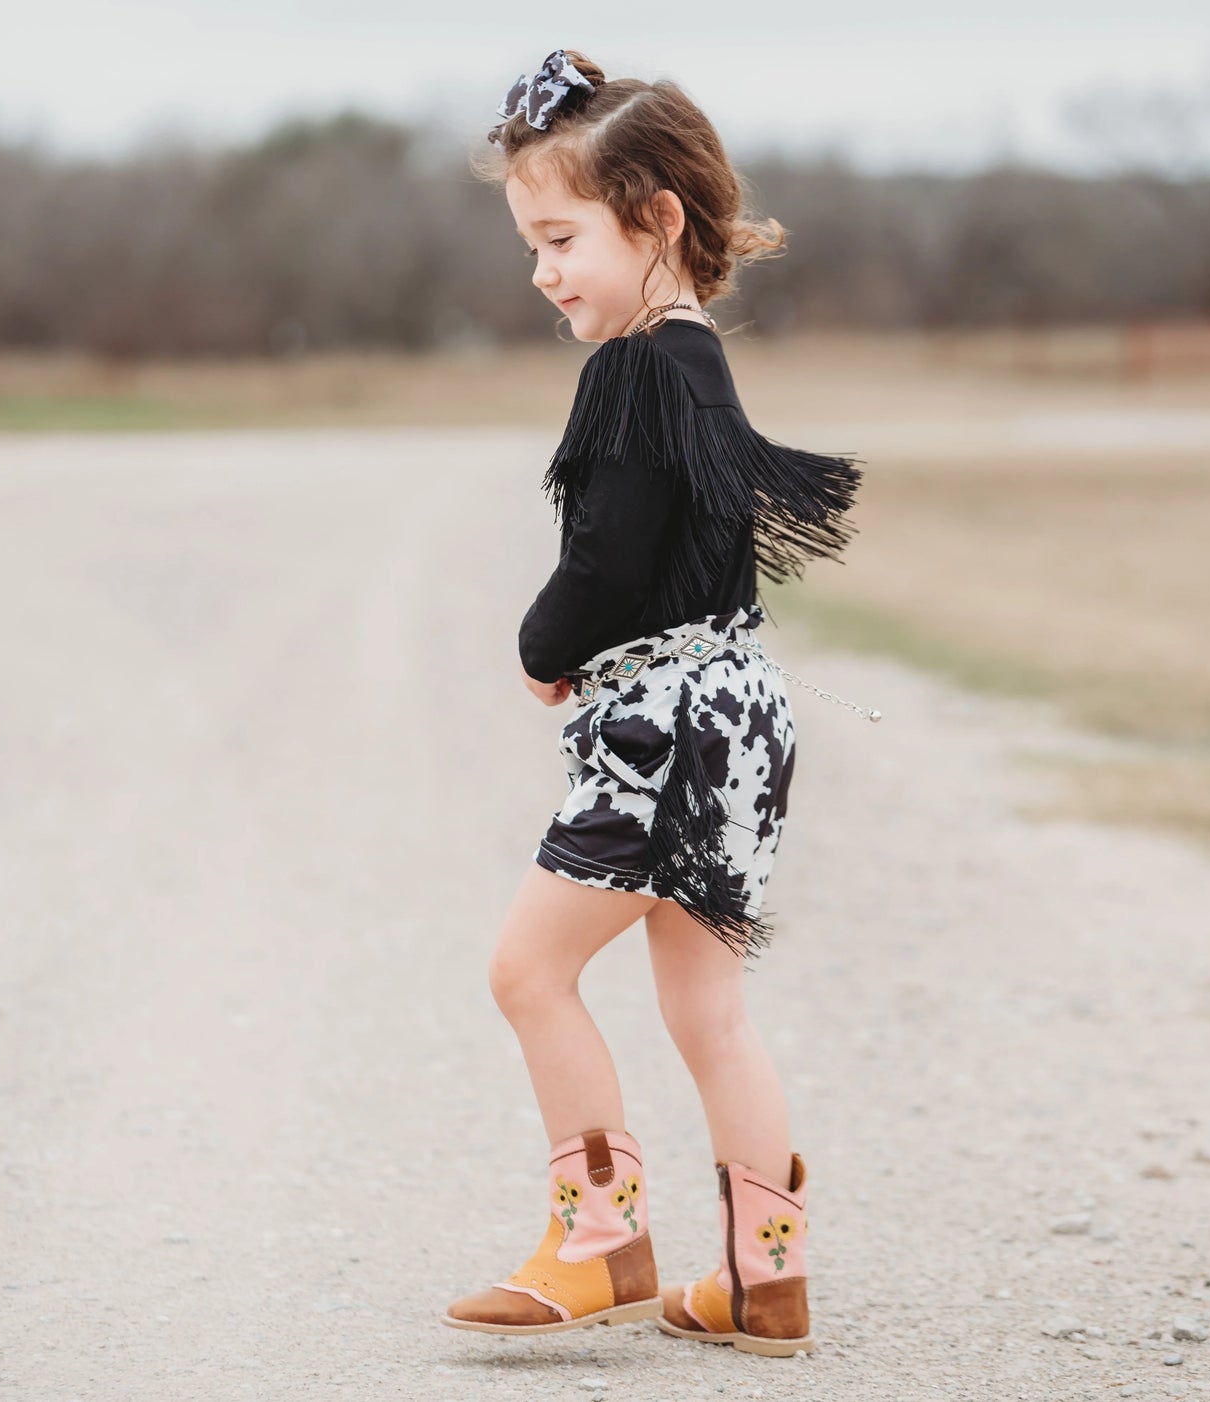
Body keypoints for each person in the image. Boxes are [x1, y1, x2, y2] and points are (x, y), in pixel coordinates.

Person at [440, 48, 870, 1358]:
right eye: (531, 244)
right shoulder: (697, 364)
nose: (542, 271)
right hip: (739, 714)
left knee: (528, 970)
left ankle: (600, 1239)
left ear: (657, 220)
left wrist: (541, 645)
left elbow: (609, 559)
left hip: (664, 726)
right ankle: (762, 1279)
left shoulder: (630, 371)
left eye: (560, 238)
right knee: (708, 1009)